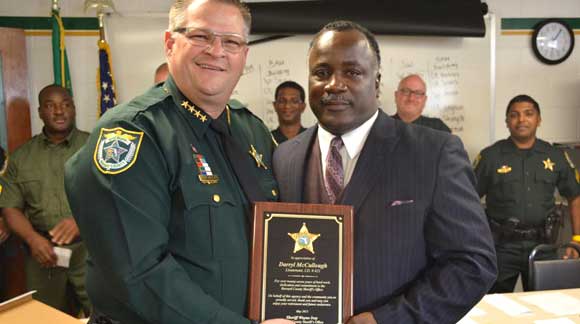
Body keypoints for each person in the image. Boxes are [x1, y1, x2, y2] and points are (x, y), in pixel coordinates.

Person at [64, 1, 291, 324]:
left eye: (231, 42)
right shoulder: (132, 133)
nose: (216, 51)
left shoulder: (251, 130)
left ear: (244, 55)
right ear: (170, 43)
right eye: (201, 36)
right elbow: (140, 272)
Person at [273, 20, 497, 324]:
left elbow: (473, 263)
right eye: (322, 73)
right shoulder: (284, 157)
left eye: (352, 72)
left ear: (376, 82)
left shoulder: (434, 153)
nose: (334, 85)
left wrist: (390, 319)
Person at [474, 94, 580, 293]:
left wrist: (577, 240)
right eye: (514, 115)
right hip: (500, 248)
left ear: (538, 119)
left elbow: (575, 195)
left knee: (546, 305)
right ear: (507, 122)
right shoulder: (490, 157)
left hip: (543, 247)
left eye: (528, 114)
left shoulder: (555, 156)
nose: (521, 119)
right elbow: (468, 200)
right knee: (493, 305)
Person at [0, 85, 91, 315]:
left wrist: (82, 221)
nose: (59, 111)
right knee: (45, 317)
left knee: (104, 315)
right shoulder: (21, 158)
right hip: (44, 254)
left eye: (65, 104)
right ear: (40, 112)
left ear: (74, 108)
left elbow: (117, 196)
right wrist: (31, 239)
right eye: (51, 105)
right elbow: (10, 207)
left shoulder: (96, 147)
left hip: (93, 251)